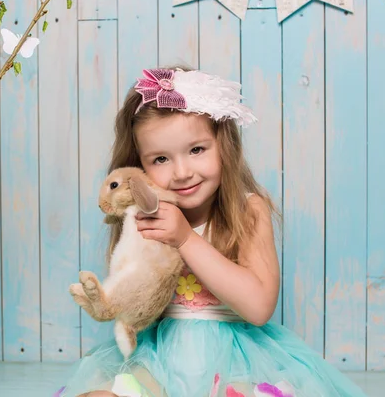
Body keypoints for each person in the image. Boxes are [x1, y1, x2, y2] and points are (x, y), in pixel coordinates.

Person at [53, 67, 368, 397]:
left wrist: (186, 239)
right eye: (160, 159)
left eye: (197, 150)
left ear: (224, 146)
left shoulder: (248, 211)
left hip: (235, 362)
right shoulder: (147, 218)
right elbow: (137, 296)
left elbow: (259, 308)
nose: (182, 172)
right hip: (157, 359)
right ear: (139, 168)